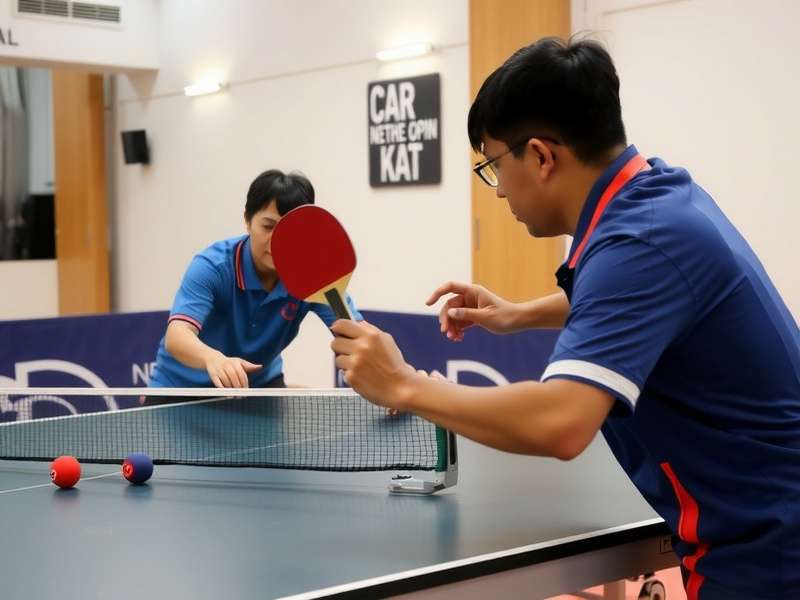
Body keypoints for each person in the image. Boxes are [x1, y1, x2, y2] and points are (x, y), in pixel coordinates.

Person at [330, 37, 799, 600]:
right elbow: (640, 298)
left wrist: (404, 386)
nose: (498, 190)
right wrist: (517, 313)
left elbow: (562, 423)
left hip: (766, 547)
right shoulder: (656, 197)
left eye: (493, 165)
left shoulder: (640, 241)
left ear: (541, 156)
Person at [148, 169, 361, 394]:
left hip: (257, 386)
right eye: (268, 227)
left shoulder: (314, 275)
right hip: (182, 389)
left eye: (290, 230)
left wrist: (388, 382)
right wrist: (215, 360)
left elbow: (354, 334)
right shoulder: (213, 267)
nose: (278, 240)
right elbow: (177, 335)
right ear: (247, 221)